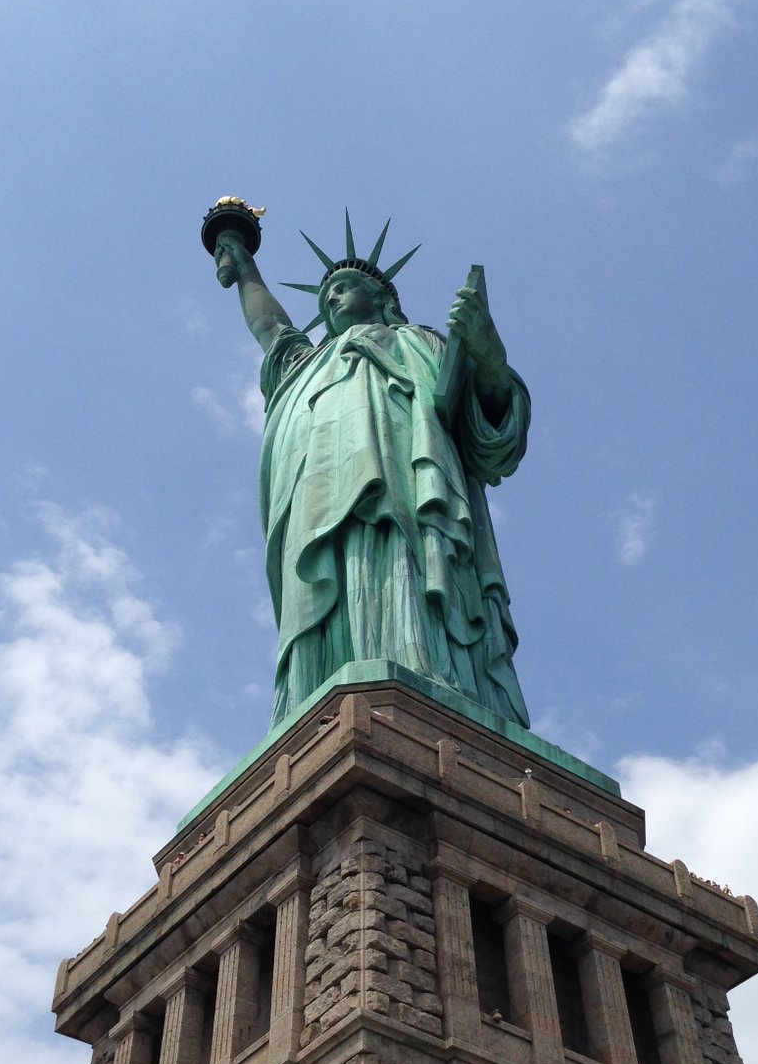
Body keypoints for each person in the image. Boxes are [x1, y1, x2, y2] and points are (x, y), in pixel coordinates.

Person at [214, 223, 530, 728]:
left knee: (398, 573)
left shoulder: (422, 342)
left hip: (405, 484)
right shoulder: (306, 363)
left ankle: (426, 681)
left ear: (381, 296)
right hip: (316, 496)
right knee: (329, 586)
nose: (331, 300)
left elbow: (491, 436)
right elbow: (271, 329)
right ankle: (319, 702)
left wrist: (489, 357)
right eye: (324, 295)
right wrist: (243, 265)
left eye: (342, 287)